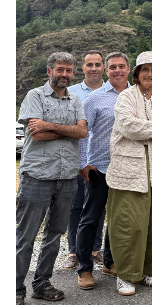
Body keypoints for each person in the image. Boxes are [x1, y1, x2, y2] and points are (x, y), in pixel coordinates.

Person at [16, 52, 88, 305]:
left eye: (69, 71)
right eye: (60, 70)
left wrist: (49, 125)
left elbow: (82, 132)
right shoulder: (35, 96)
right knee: (25, 236)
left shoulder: (76, 99)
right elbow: (37, 133)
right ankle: (16, 289)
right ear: (49, 71)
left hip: (67, 176)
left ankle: (42, 283)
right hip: (38, 175)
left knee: (54, 234)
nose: (65, 75)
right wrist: (63, 129)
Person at [105, 51, 152, 296]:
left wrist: (150, 128)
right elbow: (127, 125)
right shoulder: (126, 97)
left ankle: (150, 270)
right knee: (130, 223)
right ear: (136, 73)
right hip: (130, 170)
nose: (150, 74)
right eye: (145, 69)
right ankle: (126, 274)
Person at [74, 51, 128, 288]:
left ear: (129, 69)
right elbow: (82, 134)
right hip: (100, 169)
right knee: (91, 219)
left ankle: (110, 262)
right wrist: (83, 163)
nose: (117, 71)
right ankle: (84, 269)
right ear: (107, 71)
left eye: (122, 66)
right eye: (113, 67)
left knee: (118, 219)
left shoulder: (136, 96)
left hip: (127, 169)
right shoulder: (95, 98)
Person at [65, 50, 105, 271]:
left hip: (101, 160)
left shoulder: (113, 91)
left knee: (98, 208)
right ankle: (73, 251)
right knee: (76, 206)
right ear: (82, 68)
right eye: (89, 64)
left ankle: (95, 249)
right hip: (77, 158)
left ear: (103, 67)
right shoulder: (71, 92)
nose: (94, 68)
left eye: (98, 64)